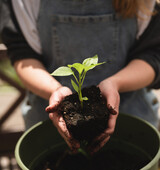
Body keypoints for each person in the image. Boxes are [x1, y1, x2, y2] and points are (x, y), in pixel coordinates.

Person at [0, 0, 160, 153]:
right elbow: (22, 54)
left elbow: (153, 54)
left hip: (133, 124)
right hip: (48, 127)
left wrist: (115, 83)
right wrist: (55, 90)